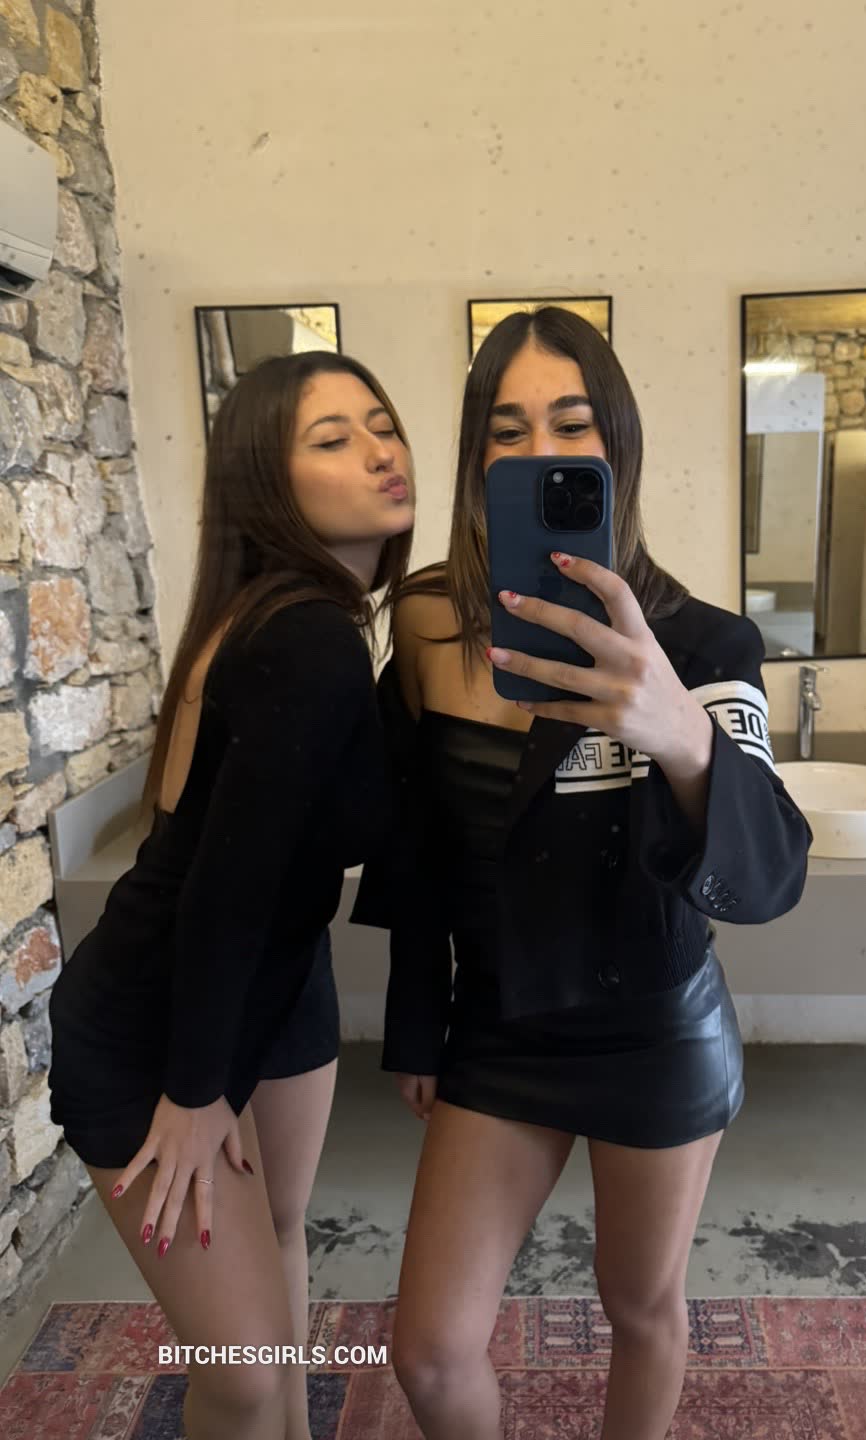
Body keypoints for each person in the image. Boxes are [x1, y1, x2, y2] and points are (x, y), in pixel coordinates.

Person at [350, 307, 814, 1440]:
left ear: (618, 446)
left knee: (639, 1306)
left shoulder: (701, 644)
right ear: (478, 459)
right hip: (497, 1024)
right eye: (507, 431)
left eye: (571, 423)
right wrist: (416, 1024)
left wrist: (680, 733)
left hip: (653, 1027)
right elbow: (415, 844)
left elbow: (766, 880)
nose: (540, 451)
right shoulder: (428, 624)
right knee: (429, 1353)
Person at [47, 350, 415, 1440]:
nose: (380, 450)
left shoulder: (293, 617)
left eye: (382, 423)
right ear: (266, 482)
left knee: (284, 1236)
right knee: (242, 1374)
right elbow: (218, 890)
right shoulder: (303, 635)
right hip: (155, 1026)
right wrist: (196, 1090)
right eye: (333, 438)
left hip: (274, 979)